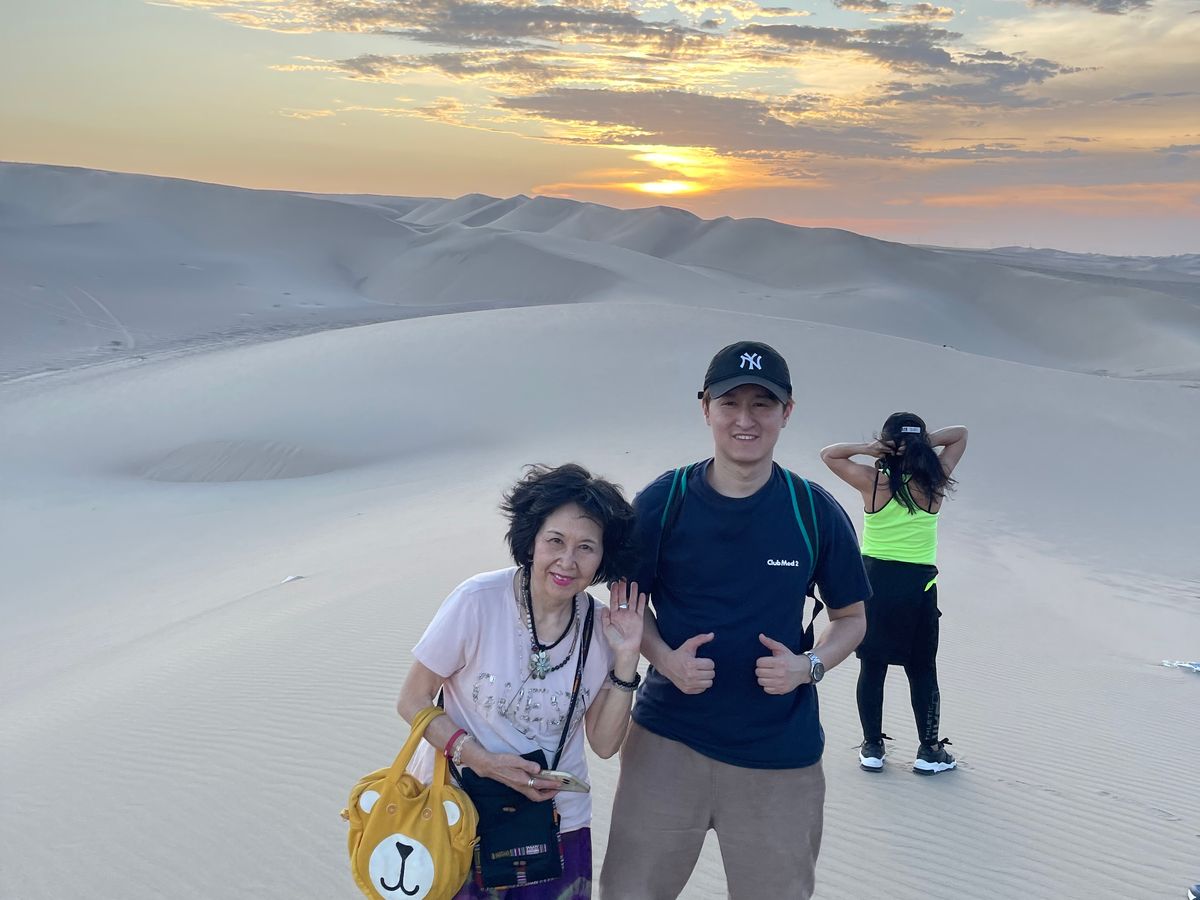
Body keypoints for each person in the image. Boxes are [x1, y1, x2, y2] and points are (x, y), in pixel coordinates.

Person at [599, 341, 870, 900]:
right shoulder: (663, 502)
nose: (745, 420)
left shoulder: (813, 510)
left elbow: (850, 618)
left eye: (762, 404)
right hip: (667, 743)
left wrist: (808, 666)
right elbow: (628, 609)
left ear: (786, 412)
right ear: (705, 408)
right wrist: (665, 659)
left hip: (780, 757)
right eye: (729, 403)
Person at [396, 463, 645, 900]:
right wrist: (482, 760)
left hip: (556, 825)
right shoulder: (478, 601)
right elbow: (412, 700)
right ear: (531, 540)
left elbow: (605, 744)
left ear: (603, 556)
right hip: (457, 817)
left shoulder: (602, 628)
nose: (568, 561)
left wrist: (626, 658)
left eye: (586, 547)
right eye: (555, 541)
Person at [820, 413, 967, 775]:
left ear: (886, 445)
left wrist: (871, 448)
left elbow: (829, 454)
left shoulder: (875, 482)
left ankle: (872, 747)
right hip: (917, 587)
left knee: (873, 666)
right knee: (922, 670)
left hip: (874, 584)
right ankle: (929, 751)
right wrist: (922, 443)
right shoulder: (935, 479)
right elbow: (960, 434)